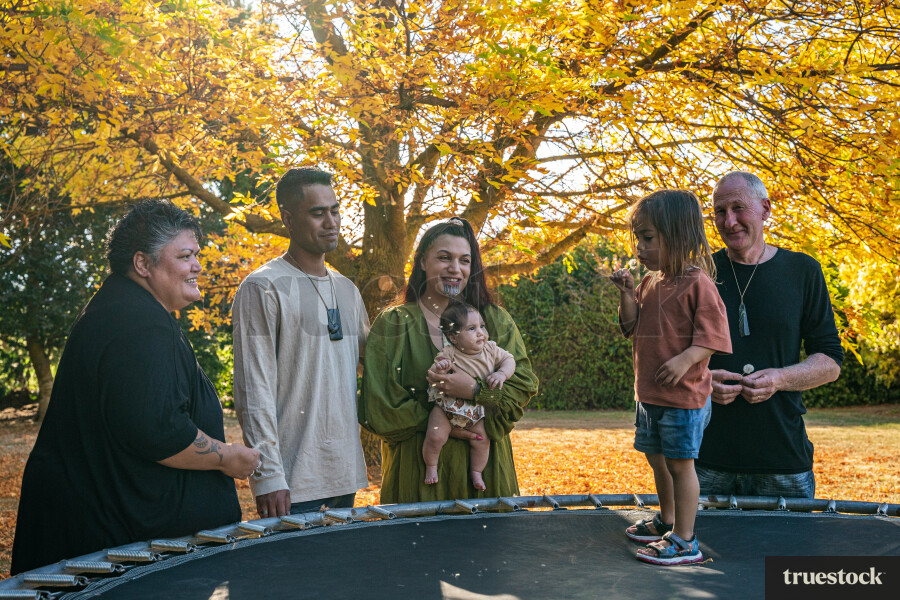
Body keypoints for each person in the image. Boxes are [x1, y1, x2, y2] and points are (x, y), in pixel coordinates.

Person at [11, 200, 259, 575]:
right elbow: (158, 430)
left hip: (114, 537)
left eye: (197, 255)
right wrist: (229, 458)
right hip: (112, 553)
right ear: (143, 264)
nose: (198, 266)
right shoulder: (136, 323)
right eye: (186, 256)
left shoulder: (128, 310)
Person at [359, 217, 538, 503]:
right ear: (422, 262)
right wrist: (443, 423)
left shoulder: (493, 319)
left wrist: (476, 392)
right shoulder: (394, 323)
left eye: (464, 260)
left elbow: (522, 387)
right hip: (417, 477)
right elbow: (378, 406)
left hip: (487, 478)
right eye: (444, 258)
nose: (455, 268)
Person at [696, 171, 843, 498]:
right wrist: (702, 382)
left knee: (787, 551)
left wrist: (780, 378)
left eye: (738, 208)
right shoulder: (698, 274)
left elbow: (830, 361)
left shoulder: (803, 271)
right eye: (720, 211)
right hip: (704, 459)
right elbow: (664, 358)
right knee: (701, 551)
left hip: (783, 461)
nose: (729, 220)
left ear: (765, 209)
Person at [232, 168, 369, 518]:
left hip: (343, 473)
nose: (331, 222)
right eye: (317, 212)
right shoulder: (263, 287)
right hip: (291, 481)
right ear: (289, 219)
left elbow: (379, 362)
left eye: (335, 210)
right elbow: (253, 388)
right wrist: (267, 476)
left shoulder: (348, 291)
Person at [609, 189, 732, 566]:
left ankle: (685, 539)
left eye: (648, 238)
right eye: (638, 239)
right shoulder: (649, 282)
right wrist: (628, 294)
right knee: (657, 458)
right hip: (649, 395)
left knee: (680, 464)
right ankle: (667, 518)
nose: (639, 248)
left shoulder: (699, 284)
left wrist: (685, 360)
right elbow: (631, 326)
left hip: (683, 397)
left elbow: (713, 337)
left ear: (677, 236)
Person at [424, 300, 517, 490]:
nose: (481, 332)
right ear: (453, 337)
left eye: (482, 326)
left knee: (483, 440)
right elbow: (434, 372)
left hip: (476, 411)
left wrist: (501, 374)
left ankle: (476, 472)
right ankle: (431, 466)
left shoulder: (490, 349)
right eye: (472, 329)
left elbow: (509, 359)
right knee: (435, 436)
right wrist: (441, 367)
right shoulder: (450, 352)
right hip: (446, 407)